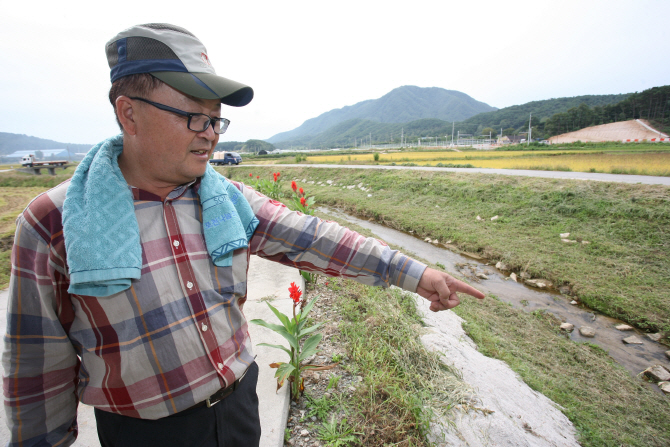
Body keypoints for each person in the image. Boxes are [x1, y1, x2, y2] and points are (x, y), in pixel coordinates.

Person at [2, 23, 485, 447]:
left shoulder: (223, 198)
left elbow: (312, 237)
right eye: (194, 117)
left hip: (237, 409)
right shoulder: (55, 220)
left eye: (216, 119)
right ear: (129, 113)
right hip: (145, 434)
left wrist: (414, 273)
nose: (211, 134)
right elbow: (36, 359)